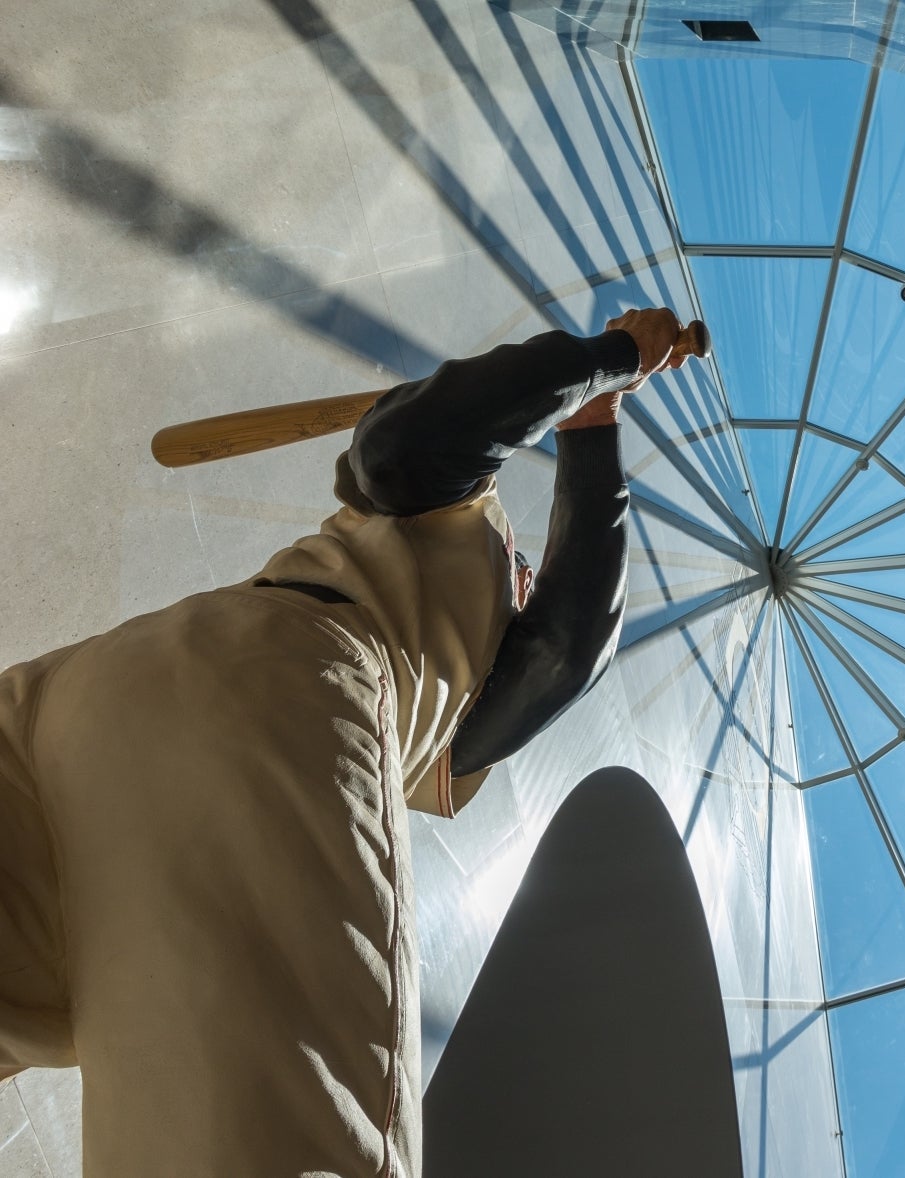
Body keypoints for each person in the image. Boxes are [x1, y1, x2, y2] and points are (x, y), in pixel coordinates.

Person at [0, 306, 687, 1175]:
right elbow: (415, 443)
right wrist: (605, 373)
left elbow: (568, 640)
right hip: (275, 698)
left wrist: (600, 402)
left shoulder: (448, 725)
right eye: (527, 573)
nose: (529, 583)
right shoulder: (459, 514)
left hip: (93, 696)